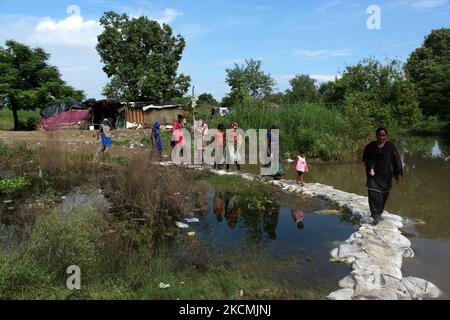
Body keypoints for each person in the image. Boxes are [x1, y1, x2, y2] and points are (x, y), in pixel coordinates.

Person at [363, 128, 403, 225]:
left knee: (384, 195)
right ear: (376, 135)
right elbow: (365, 158)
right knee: (373, 195)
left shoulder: (390, 147)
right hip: (373, 175)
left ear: (386, 136)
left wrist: (397, 174)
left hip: (386, 175)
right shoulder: (370, 146)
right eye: (380, 135)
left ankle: (379, 212)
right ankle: (375, 215)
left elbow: (396, 160)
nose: (381, 137)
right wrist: (369, 164)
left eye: (383, 135)